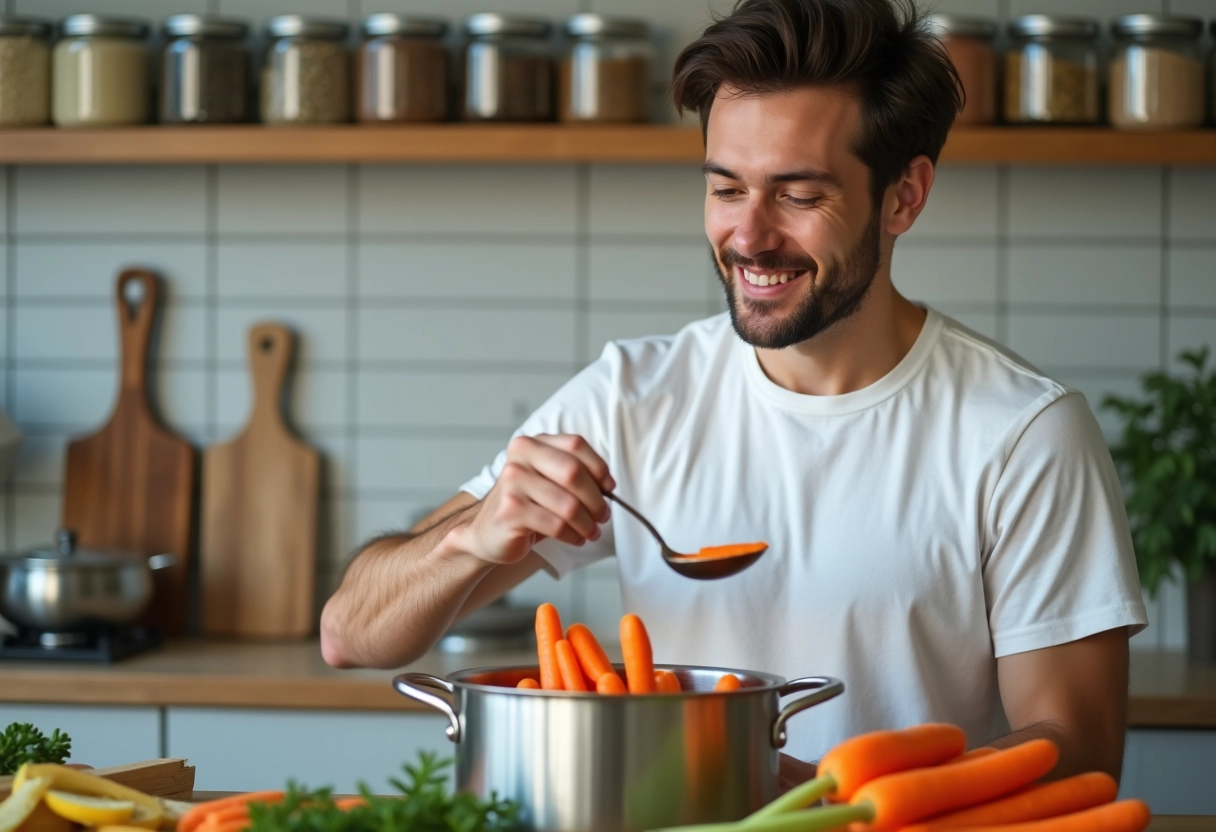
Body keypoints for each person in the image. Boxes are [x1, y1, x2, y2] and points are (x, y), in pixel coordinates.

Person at [321, 0, 1147, 785]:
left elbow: (1078, 748)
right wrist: (471, 537)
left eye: (799, 194)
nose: (748, 236)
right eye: (725, 188)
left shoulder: (1021, 432)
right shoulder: (633, 400)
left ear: (904, 196)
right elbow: (351, 634)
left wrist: (840, 798)